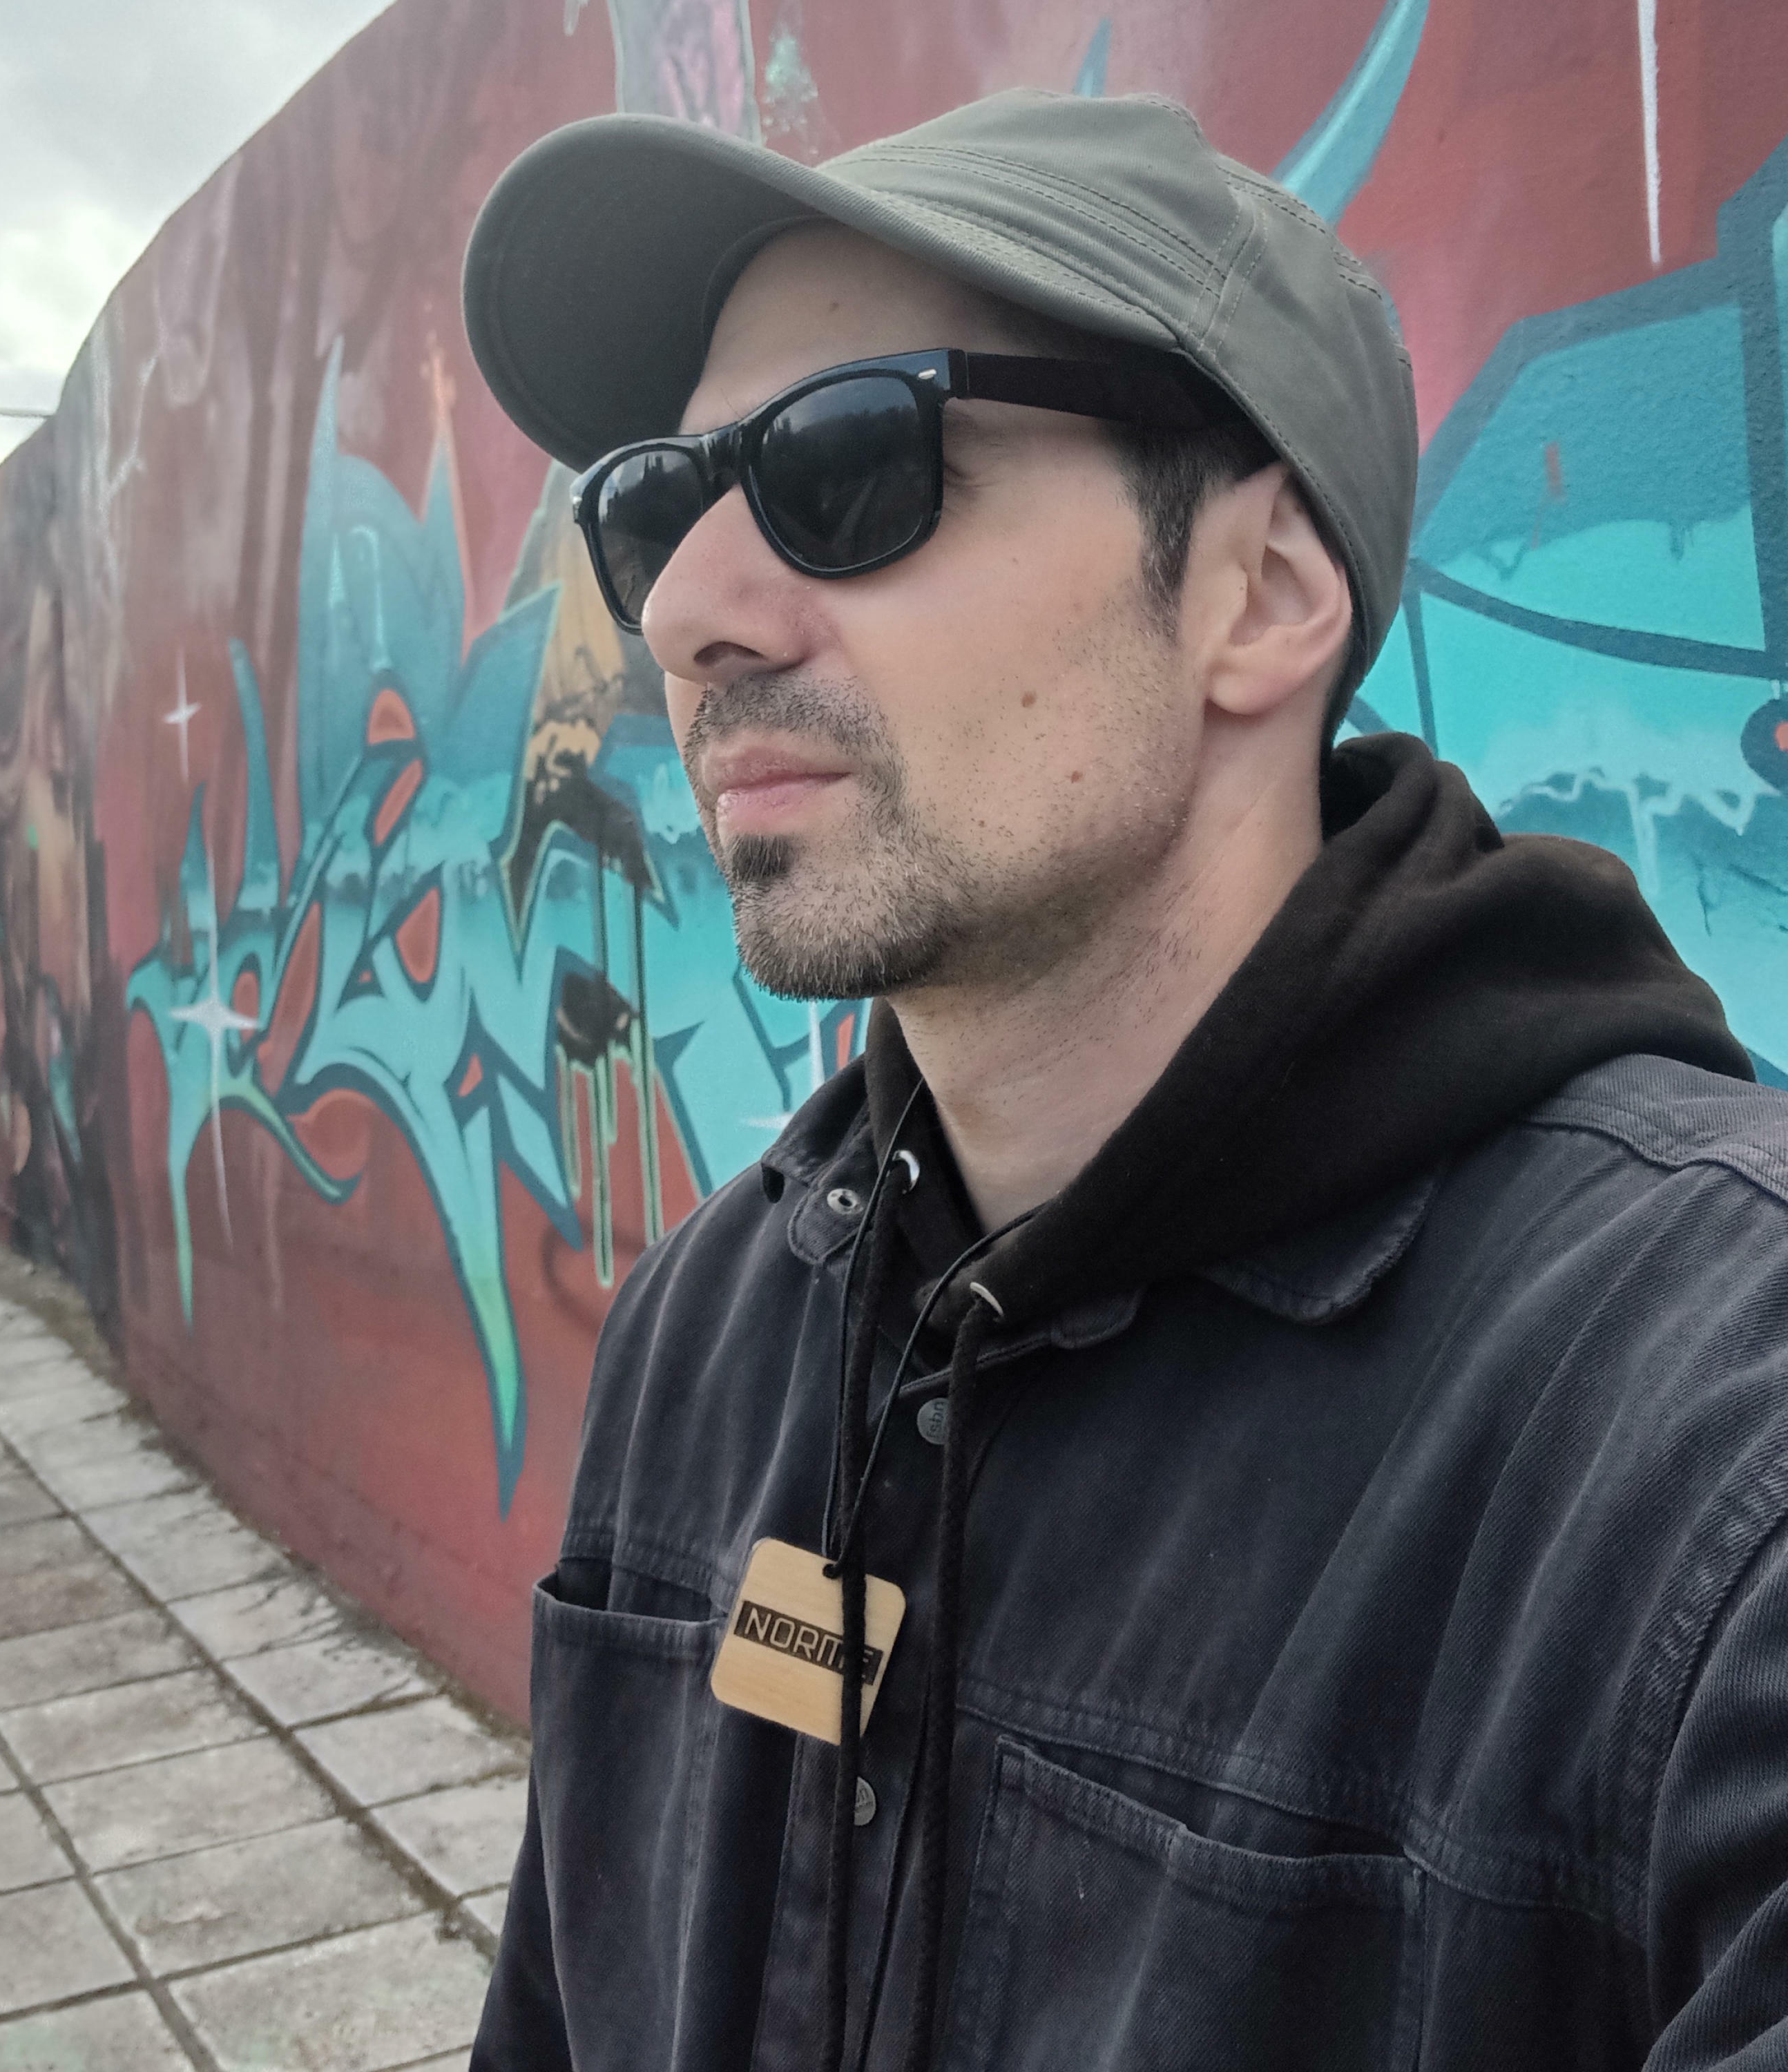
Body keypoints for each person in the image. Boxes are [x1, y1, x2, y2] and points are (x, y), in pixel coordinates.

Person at [459, 90, 1788, 2070]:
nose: (689, 614)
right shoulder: (707, 1344)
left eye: (847, 462)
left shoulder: (1698, 1449)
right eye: (656, 507)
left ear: (1259, 597)